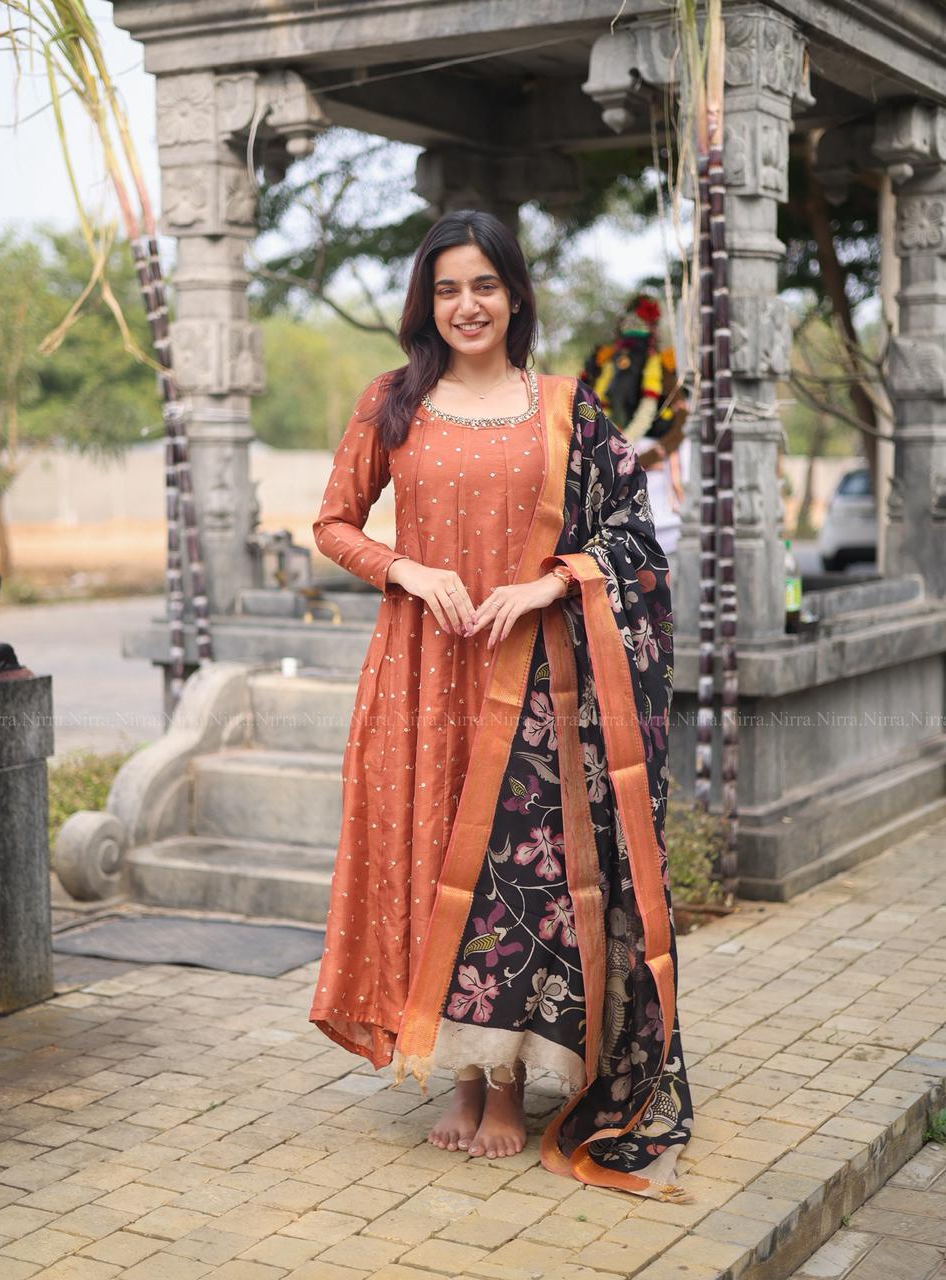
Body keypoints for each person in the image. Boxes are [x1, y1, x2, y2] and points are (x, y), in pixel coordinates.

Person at [308, 210, 694, 1201]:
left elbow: (632, 532)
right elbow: (333, 523)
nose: (466, 305)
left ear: (515, 294)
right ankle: (463, 1071)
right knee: (435, 854)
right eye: (447, 289)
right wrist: (407, 567)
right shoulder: (392, 401)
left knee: (520, 880)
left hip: (534, 674)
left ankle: (514, 1079)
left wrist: (552, 582)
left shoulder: (563, 406)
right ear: (425, 302)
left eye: (484, 285)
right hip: (419, 667)